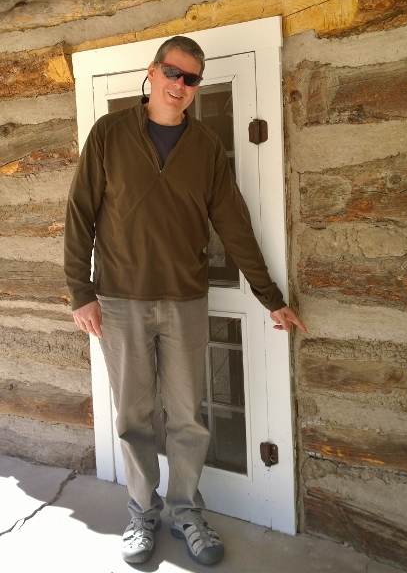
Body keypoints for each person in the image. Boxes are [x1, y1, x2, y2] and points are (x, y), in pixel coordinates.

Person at [64, 35, 307, 566]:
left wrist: (269, 296)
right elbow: (80, 214)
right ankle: (141, 512)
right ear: (153, 72)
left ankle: (185, 511)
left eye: (191, 78)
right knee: (134, 416)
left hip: (185, 301)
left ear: (196, 87)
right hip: (120, 299)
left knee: (187, 418)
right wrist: (81, 292)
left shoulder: (205, 148)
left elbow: (233, 223)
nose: (180, 85)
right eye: (173, 72)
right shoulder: (108, 134)